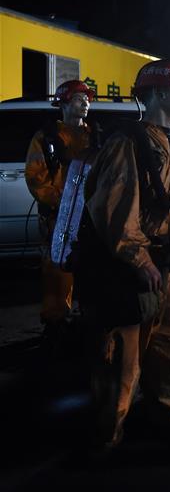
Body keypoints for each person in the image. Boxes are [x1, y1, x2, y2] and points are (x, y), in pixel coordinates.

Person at [77, 60, 170, 451]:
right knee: (123, 359)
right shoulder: (128, 143)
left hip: (167, 263)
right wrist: (139, 259)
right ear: (157, 93)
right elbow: (116, 210)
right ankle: (107, 437)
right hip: (131, 270)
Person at [25, 80, 98, 331]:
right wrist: (65, 203)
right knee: (57, 269)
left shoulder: (95, 136)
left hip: (90, 214)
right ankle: (55, 323)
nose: (85, 102)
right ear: (64, 103)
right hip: (59, 215)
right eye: (79, 98)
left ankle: (89, 319)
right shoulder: (45, 138)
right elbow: (36, 178)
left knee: (92, 267)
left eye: (87, 99)